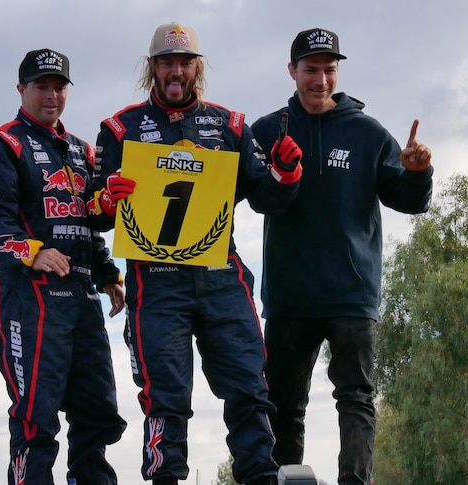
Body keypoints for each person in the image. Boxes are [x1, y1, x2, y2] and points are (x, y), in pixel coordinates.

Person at [92, 22, 304, 485]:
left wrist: (286, 173)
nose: (176, 71)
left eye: (185, 62)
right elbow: (93, 210)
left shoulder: (229, 125)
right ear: (152, 69)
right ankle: (165, 477)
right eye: (167, 62)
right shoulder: (119, 128)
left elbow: (265, 195)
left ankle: (260, 477)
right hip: (155, 280)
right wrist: (105, 199)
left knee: (250, 385)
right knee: (165, 395)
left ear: (197, 68)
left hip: (221, 274)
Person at [250, 28, 434, 485]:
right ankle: (284, 479)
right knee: (282, 404)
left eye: (329, 70)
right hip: (290, 297)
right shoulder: (266, 130)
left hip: (351, 295)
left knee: (356, 398)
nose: (320, 79)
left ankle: (356, 481)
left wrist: (418, 173)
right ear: (292, 71)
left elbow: (409, 200)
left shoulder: (368, 133)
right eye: (311, 70)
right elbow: (248, 196)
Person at [0, 48, 127, 485]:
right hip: (28, 298)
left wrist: (108, 274)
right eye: (42, 86)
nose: (52, 95)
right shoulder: (1, 143)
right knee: (36, 417)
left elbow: (86, 224)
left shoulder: (81, 150)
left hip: (81, 296)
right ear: (22, 90)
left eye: (59, 87)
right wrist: (30, 251)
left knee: (97, 410)